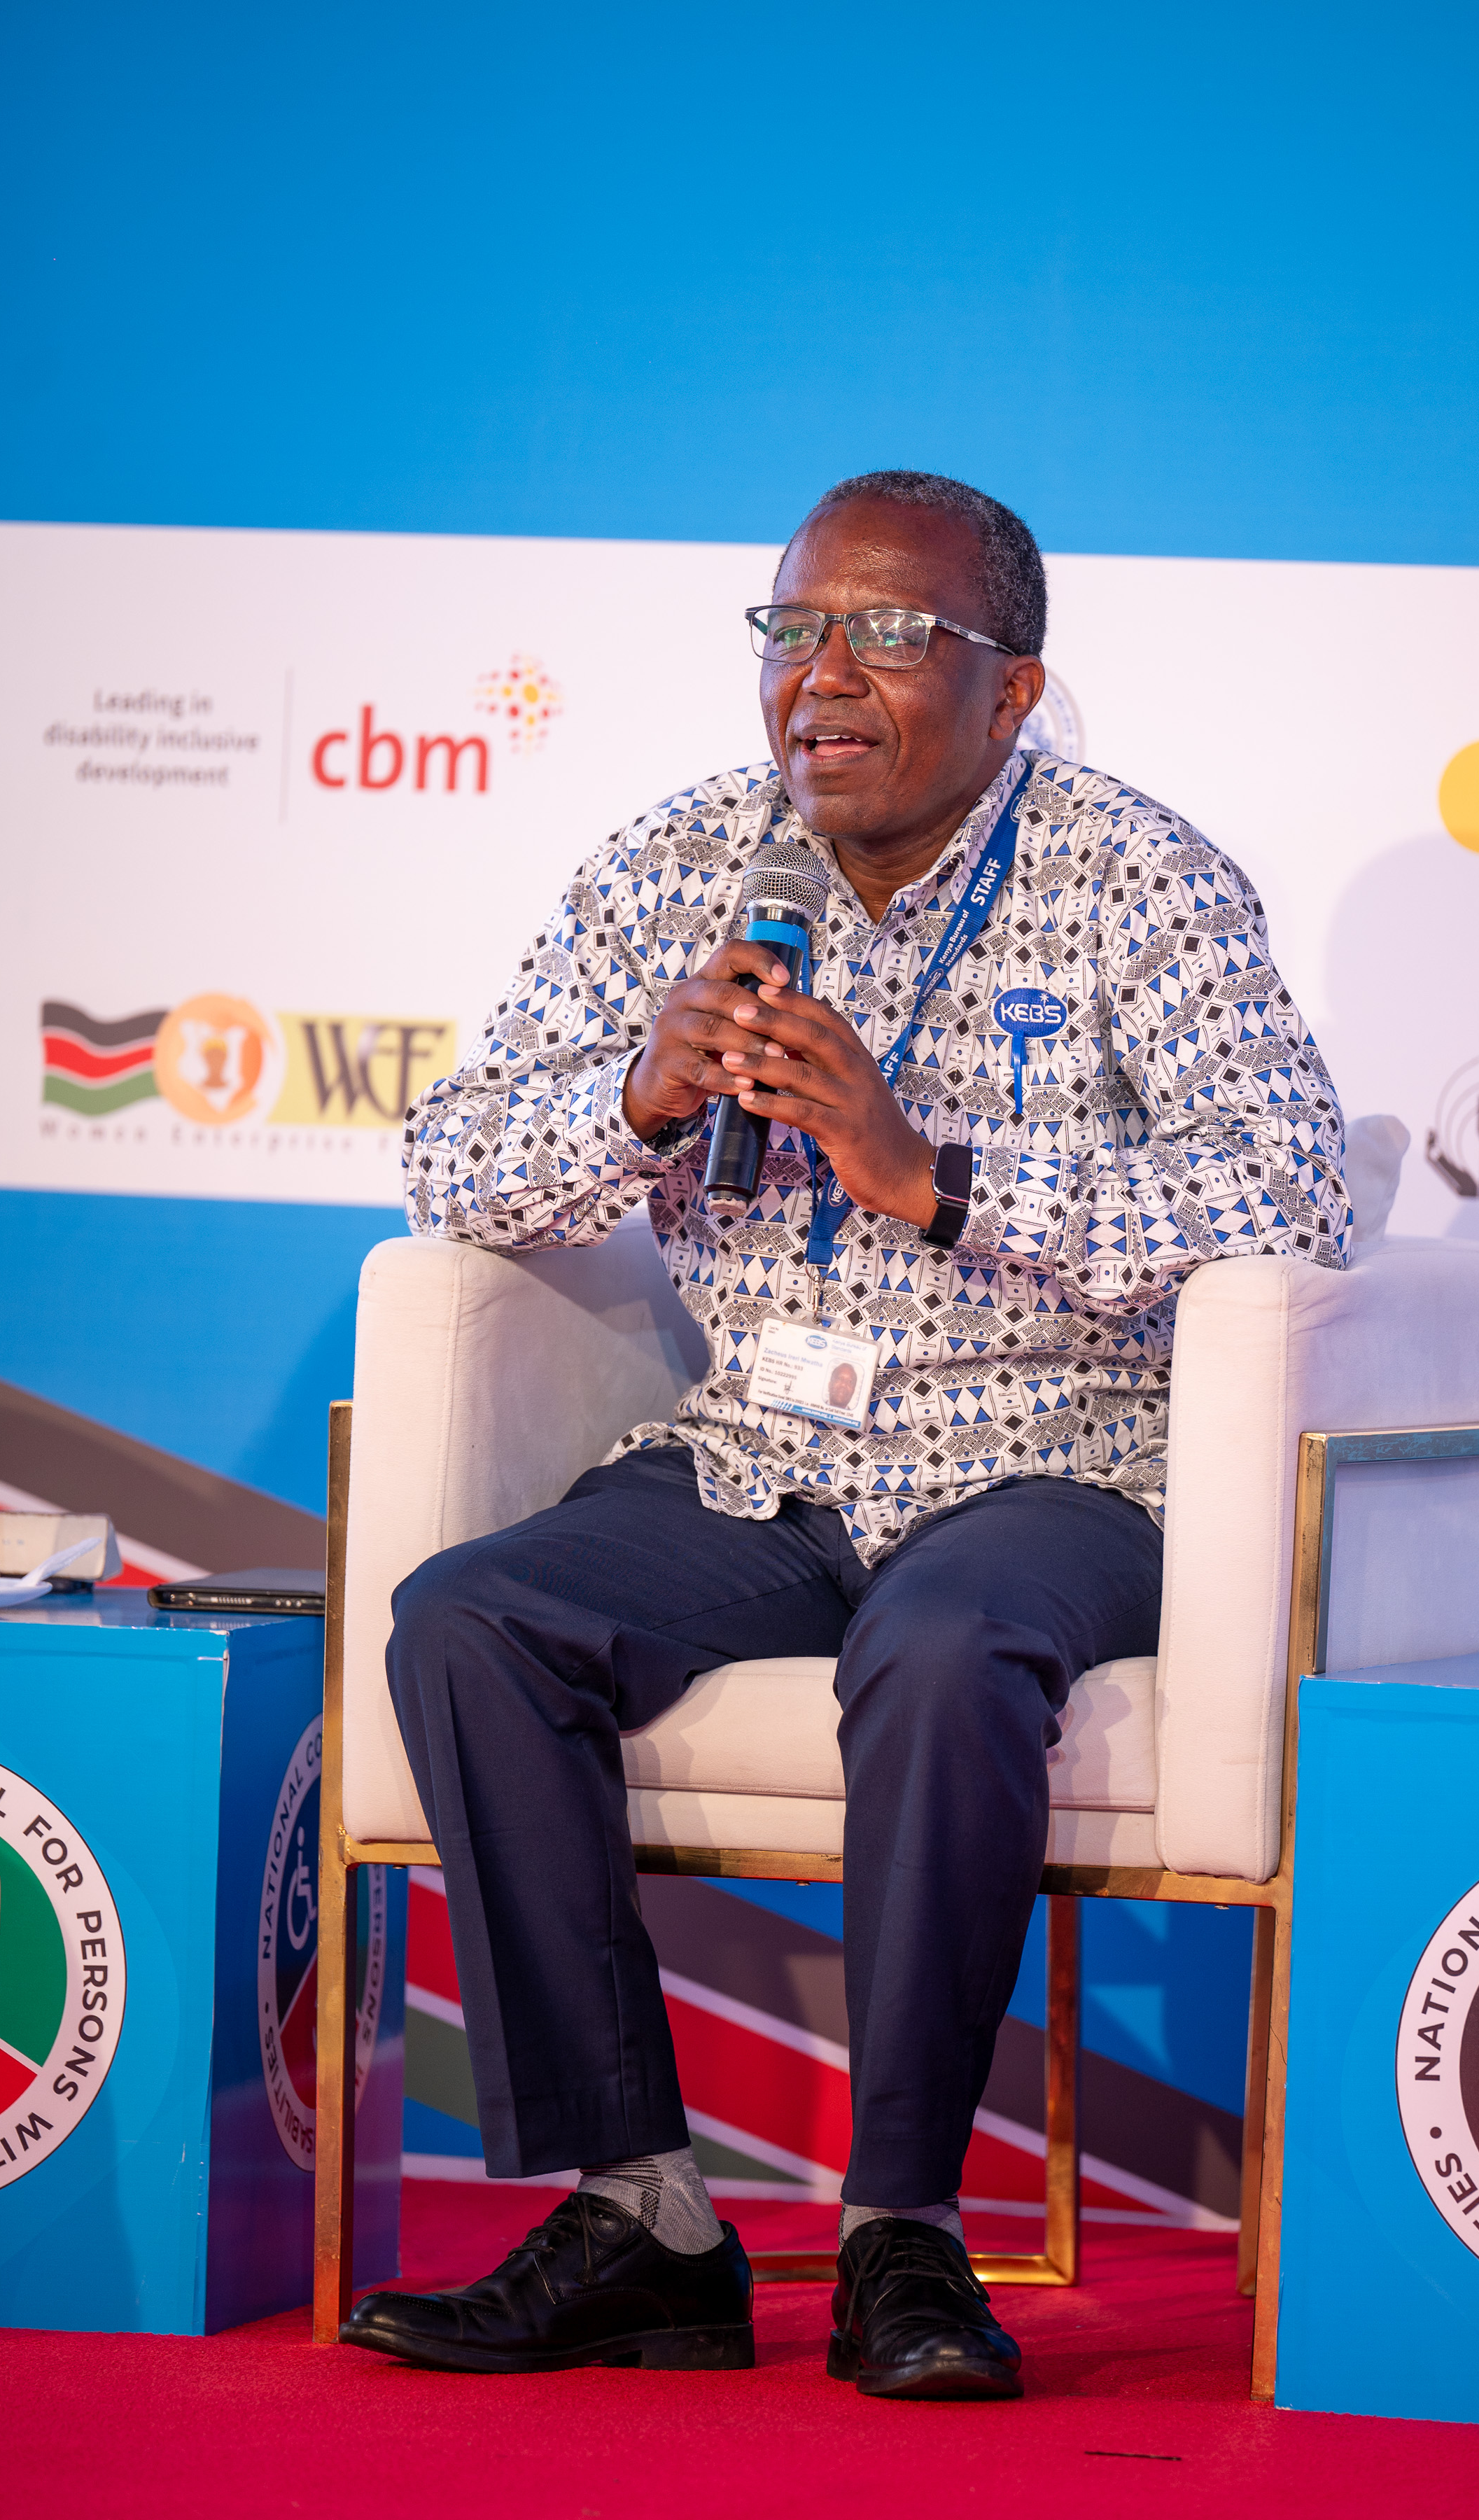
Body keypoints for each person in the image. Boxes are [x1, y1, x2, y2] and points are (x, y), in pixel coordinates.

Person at [343, 470, 1351, 2395]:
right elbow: (450, 1162)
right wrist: (634, 1099)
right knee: (470, 1617)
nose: (821, 676)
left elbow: (1292, 1195)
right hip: (761, 1453)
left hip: (1052, 1453)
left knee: (946, 1646)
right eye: (793, 628)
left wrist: (935, 1176)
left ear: (1012, 686)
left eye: (887, 634)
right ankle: (643, 2216)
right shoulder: (680, 862)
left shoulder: (1140, 878)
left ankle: (903, 2231)